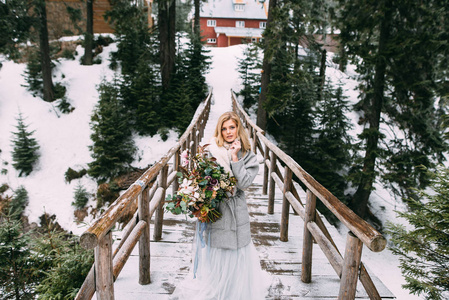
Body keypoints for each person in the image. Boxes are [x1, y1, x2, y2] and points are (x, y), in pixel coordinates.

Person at [171, 111, 270, 300]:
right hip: (217, 210)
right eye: (224, 129)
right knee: (218, 251)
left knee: (237, 252)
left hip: (236, 212)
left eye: (232, 127)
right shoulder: (212, 151)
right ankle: (218, 288)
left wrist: (235, 157)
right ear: (220, 131)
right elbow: (201, 177)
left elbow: (243, 184)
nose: (228, 132)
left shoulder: (248, 156)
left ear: (238, 128)